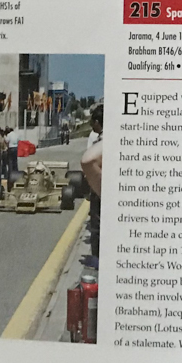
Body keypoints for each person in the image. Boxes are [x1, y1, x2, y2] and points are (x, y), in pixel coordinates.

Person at [80, 105, 104, 258]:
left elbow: (88, 161)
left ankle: (97, 261)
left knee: (97, 226)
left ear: (97, 121)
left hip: (99, 191)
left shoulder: (99, 140)